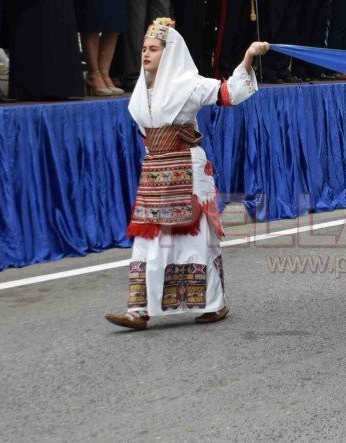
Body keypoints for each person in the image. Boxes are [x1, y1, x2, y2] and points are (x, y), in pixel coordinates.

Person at [106, 24, 270, 330]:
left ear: (169, 54)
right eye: (144, 49)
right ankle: (139, 308)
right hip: (155, 171)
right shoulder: (143, 91)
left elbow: (229, 93)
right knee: (148, 238)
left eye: (153, 49)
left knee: (196, 239)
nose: (146, 54)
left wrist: (247, 58)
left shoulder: (188, 85)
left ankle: (213, 304)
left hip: (188, 169)